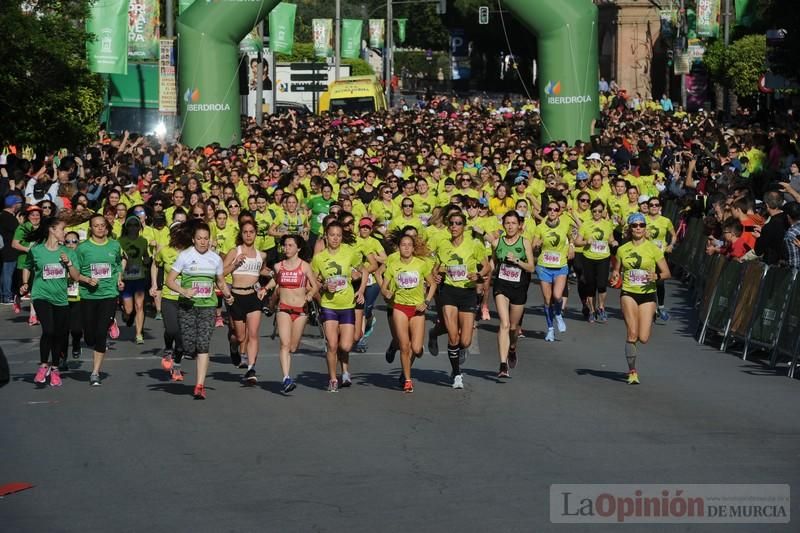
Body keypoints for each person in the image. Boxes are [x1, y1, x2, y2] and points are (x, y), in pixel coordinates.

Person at [165, 220, 234, 399]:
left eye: (205, 238)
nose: (203, 242)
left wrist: (227, 294)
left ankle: (199, 385)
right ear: (194, 240)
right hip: (187, 306)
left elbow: (220, 281)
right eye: (199, 238)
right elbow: (170, 280)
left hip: (207, 307)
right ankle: (178, 352)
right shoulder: (185, 256)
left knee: (203, 345)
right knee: (189, 346)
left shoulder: (215, 258)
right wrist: (183, 291)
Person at [609, 213, 671, 385]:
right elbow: (616, 270)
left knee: (643, 338)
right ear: (629, 228)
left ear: (645, 228)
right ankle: (632, 371)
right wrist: (615, 277)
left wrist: (656, 276)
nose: (638, 228)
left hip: (648, 296)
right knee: (632, 333)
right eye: (635, 225)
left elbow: (667, 273)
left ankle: (633, 347)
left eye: (641, 225)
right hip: (628, 292)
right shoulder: (622, 249)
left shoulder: (653, 249)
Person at [431, 210, 490, 389]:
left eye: (458, 223)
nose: (454, 226)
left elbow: (486, 266)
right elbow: (435, 268)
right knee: (453, 336)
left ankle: (434, 333)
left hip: (467, 293)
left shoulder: (474, 245)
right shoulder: (443, 244)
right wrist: (436, 276)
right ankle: (457, 374)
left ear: (464, 226)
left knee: (465, 341)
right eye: (452, 223)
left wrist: (478, 275)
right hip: (448, 292)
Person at [21, 217, 81, 387]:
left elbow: (76, 277)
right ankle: (43, 365)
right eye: (62, 229)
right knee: (49, 329)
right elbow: (28, 265)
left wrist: (69, 263)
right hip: (41, 295)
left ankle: (55, 368)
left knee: (59, 335)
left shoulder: (68, 252)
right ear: (52, 230)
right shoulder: (37, 250)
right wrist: (25, 283)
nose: (65, 233)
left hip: (61, 298)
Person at [311, 221, 367, 392]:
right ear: (326, 237)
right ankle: (333, 379)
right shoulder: (319, 258)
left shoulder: (350, 253)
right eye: (332, 235)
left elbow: (363, 270)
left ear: (342, 237)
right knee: (333, 345)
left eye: (338, 235)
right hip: (328, 305)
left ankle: (345, 371)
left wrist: (361, 290)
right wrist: (323, 287)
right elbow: (312, 281)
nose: (335, 238)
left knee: (346, 346)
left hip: (347, 305)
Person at [381, 234, 437, 393]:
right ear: (398, 247)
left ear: (413, 248)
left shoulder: (421, 264)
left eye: (409, 245)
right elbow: (384, 287)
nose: (406, 247)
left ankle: (416, 353)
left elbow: (432, 284)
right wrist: (386, 293)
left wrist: (426, 302)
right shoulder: (393, 266)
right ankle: (407, 379)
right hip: (400, 307)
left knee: (417, 348)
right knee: (404, 346)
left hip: (417, 309)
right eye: (403, 245)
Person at [75, 214, 125, 386]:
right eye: (96, 226)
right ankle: (97, 332)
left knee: (100, 334)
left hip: (109, 295)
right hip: (89, 295)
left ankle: (95, 372)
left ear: (107, 227)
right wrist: (87, 279)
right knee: (89, 337)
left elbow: (118, 264)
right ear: (91, 228)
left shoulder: (114, 245)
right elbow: (74, 272)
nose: (100, 228)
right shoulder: (83, 248)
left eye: (103, 225)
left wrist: (119, 279)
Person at [264, 234, 318, 393]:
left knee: (293, 347)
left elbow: (315, 286)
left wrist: (310, 294)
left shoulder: (305, 266)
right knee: (285, 344)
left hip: (301, 311)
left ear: (298, 248)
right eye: (285, 245)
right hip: (284, 308)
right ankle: (286, 378)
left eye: (290, 245)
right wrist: (265, 289)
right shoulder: (278, 266)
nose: (287, 248)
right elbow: (276, 280)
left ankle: (287, 375)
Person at [487, 211, 534, 377]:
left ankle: (512, 348)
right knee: (504, 324)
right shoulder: (498, 242)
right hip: (501, 286)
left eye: (513, 223)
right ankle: (502, 364)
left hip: (519, 288)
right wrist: (483, 275)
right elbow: (493, 262)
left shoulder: (525, 242)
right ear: (503, 225)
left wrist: (517, 261)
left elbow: (531, 267)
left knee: (513, 328)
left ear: (519, 225)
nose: (510, 226)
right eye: (507, 223)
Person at [222, 220, 270, 384]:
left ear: (256, 234)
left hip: (254, 297)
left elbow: (262, 269)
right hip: (236, 297)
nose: (249, 235)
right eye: (245, 232)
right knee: (240, 336)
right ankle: (233, 347)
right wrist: (234, 265)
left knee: (253, 335)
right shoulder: (235, 251)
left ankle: (251, 369)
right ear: (241, 234)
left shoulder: (261, 255)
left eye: (251, 232)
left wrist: (274, 274)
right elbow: (220, 272)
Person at [532, 200, 574, 342]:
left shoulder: (565, 223)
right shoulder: (541, 227)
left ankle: (558, 314)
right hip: (544, 266)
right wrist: (537, 245)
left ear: (559, 212)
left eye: (555, 210)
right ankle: (550, 329)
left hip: (560, 265)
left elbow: (575, 233)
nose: (552, 212)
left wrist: (572, 246)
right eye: (549, 209)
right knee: (547, 299)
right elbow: (533, 245)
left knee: (557, 296)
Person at [152, 218, 187, 382]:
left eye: (181, 232)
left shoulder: (191, 252)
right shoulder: (164, 251)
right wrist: (154, 284)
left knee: (182, 338)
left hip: (187, 298)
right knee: (172, 330)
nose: (178, 235)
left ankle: (177, 366)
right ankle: (167, 348)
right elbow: (155, 265)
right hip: (168, 296)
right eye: (175, 232)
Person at [574, 200, 617, 323]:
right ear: (591, 211)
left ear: (603, 211)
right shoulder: (585, 224)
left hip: (603, 258)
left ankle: (601, 307)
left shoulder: (607, 224)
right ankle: (592, 311)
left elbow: (610, 238)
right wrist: (585, 242)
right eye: (594, 211)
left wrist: (613, 242)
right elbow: (577, 242)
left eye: (599, 211)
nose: (597, 213)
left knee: (602, 285)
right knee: (591, 286)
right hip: (588, 258)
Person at [118, 216, 150, 344]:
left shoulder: (143, 241)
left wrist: (147, 260)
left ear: (139, 227)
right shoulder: (120, 241)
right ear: (126, 227)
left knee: (139, 306)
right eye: (130, 225)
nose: (133, 227)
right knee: (129, 309)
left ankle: (138, 334)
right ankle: (126, 313)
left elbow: (146, 256)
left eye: (135, 225)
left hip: (139, 277)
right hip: (125, 278)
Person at [13, 204, 43, 324]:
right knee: (24, 289)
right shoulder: (22, 228)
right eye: (32, 215)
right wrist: (28, 250)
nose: (35, 217)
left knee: (35, 290)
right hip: (24, 262)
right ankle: (17, 297)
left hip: (38, 263)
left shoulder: (42, 228)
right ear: (28, 216)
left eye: (37, 215)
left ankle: (33, 316)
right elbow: (14, 244)